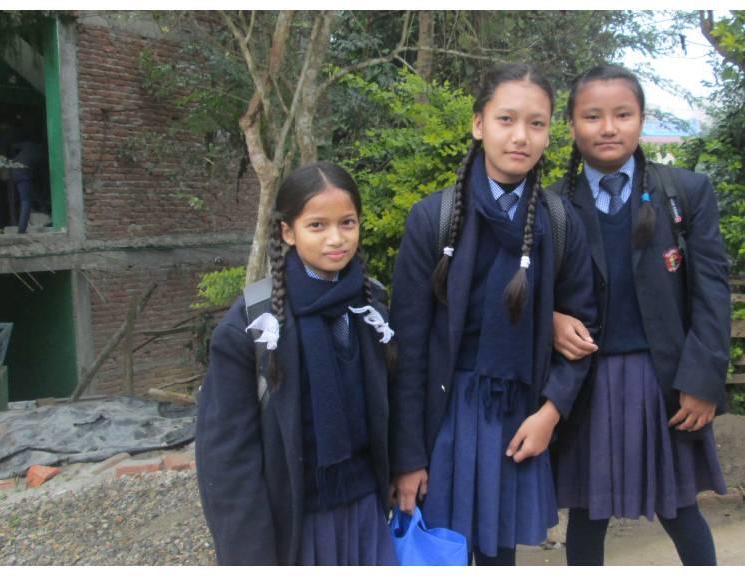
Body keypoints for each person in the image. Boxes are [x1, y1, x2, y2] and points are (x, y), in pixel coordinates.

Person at [389, 63, 597, 566]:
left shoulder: (559, 222)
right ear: (478, 124)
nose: (520, 136)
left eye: (536, 123)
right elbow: (407, 348)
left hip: (518, 417)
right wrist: (408, 456)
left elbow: (583, 329)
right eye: (506, 119)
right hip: (444, 418)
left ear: (550, 133)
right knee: (440, 554)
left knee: (500, 557)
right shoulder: (433, 219)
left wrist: (550, 412)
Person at [548, 64, 731, 566]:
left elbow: (712, 291)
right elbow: (529, 292)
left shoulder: (685, 193)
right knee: (587, 514)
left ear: (642, 120)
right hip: (585, 383)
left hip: (664, 380)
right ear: (571, 125)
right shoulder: (552, 206)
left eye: (622, 115)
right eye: (592, 116)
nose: (608, 128)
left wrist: (703, 380)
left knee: (680, 508)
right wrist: (551, 321)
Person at [195, 162, 397, 565]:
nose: (336, 238)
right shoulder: (253, 326)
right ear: (288, 232)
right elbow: (227, 457)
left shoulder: (370, 306)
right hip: (296, 522)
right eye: (317, 226)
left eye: (347, 222)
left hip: (366, 511)